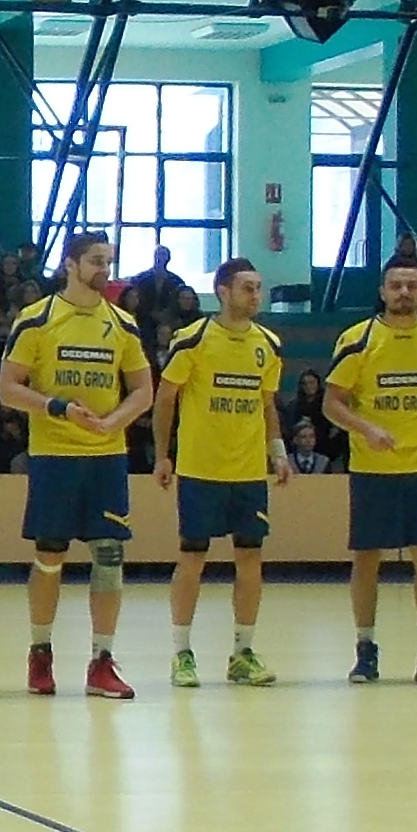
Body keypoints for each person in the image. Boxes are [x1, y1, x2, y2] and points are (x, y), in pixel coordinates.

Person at [0, 232, 152, 700]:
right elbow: (8, 388)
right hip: (55, 455)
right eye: (95, 260)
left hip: (106, 457)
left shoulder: (123, 324)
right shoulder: (38, 319)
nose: (104, 269)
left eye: (108, 260)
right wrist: (58, 408)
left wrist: (114, 422)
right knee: (50, 555)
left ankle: (102, 662)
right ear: (70, 264)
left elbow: (143, 390)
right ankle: (40, 652)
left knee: (110, 556)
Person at [325, 261, 417, 686]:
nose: (403, 292)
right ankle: (365, 650)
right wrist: (367, 429)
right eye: (395, 285)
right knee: (367, 557)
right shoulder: (358, 339)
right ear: (383, 291)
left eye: (411, 285)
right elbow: (331, 403)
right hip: (373, 469)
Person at [152, 257, 292, 691]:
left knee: (250, 558)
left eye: (258, 288)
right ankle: (182, 652)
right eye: (247, 288)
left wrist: (278, 452)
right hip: (201, 469)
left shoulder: (268, 344)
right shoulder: (193, 339)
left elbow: (267, 404)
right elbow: (166, 399)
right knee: (193, 558)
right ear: (223, 291)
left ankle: (242, 653)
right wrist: (163, 455)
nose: (255, 296)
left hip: (248, 472)